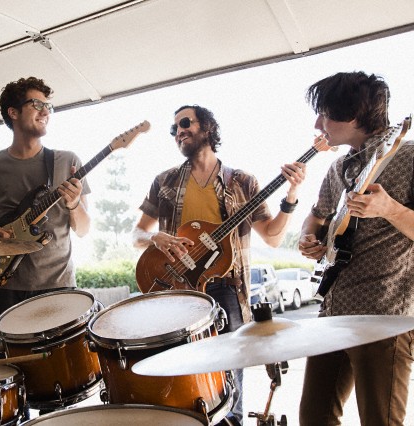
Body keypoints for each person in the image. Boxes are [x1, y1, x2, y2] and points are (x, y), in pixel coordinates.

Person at [132, 104, 306, 425]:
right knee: (183, 377)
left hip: (228, 291)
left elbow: (272, 237)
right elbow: (137, 233)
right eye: (174, 129)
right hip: (177, 291)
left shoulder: (242, 182)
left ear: (208, 128)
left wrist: (292, 193)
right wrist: (156, 239)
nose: (179, 131)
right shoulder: (165, 181)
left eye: (185, 123)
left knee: (229, 386)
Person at [297, 71, 414, 425]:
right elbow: (315, 216)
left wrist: (389, 209)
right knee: (314, 418)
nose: (319, 124)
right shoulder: (338, 166)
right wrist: (309, 236)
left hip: (383, 317)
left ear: (353, 116)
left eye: (325, 113)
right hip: (333, 311)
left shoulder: (408, 158)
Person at [0, 76, 91, 325]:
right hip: (8, 285)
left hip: (59, 285)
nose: (45, 112)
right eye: (36, 104)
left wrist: (73, 204)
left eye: (48, 107)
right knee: (12, 361)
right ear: (13, 112)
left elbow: (83, 229)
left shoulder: (67, 161)